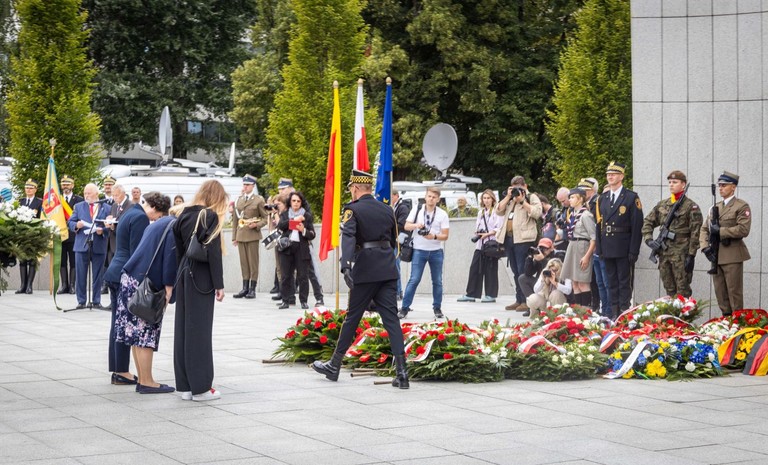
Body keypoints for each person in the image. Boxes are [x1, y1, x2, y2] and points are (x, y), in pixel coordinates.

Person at [312, 170, 409, 388]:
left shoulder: (352, 210)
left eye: (351, 189)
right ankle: (402, 373)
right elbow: (393, 240)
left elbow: (348, 237)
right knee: (391, 320)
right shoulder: (387, 209)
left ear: (355, 188)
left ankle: (334, 365)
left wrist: (346, 265)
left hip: (365, 270)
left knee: (352, 318)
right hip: (387, 270)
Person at [114, 192, 177, 394]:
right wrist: (169, 287)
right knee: (145, 333)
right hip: (144, 285)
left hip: (130, 279)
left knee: (134, 334)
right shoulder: (171, 226)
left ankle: (143, 380)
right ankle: (148, 382)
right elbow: (169, 258)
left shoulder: (155, 225)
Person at [173, 179, 227, 401]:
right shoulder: (209, 216)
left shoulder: (183, 214)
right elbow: (213, 252)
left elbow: (179, 250)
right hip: (201, 278)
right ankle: (202, 388)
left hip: (184, 273)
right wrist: (219, 284)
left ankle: (186, 386)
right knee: (200, 332)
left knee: (183, 330)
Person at [103, 184, 147, 386]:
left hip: (114, 271)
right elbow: (137, 252)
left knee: (116, 323)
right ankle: (122, 371)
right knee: (123, 324)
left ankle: (117, 370)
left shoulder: (128, 213)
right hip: (124, 274)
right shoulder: (139, 217)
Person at [642, 170, 702, 298]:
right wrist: (649, 240)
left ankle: (684, 312)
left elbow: (696, 233)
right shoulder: (663, 204)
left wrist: (691, 255)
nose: (671, 185)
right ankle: (671, 312)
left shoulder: (691, 206)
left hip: (681, 255)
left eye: (675, 182)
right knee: (669, 290)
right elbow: (648, 222)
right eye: (669, 182)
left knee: (683, 291)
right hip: (664, 254)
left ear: (683, 185)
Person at [699, 171, 751, 316]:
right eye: (719, 185)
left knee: (734, 294)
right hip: (716, 256)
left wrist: (720, 231)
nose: (720, 188)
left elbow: (743, 229)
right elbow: (704, 229)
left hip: (732, 255)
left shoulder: (741, 206)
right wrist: (705, 247)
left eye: (724, 185)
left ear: (733, 187)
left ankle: (738, 323)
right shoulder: (715, 207)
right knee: (720, 294)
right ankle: (726, 321)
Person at [595, 161, 643, 319]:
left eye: (614, 174)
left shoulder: (631, 197)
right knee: (611, 282)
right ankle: (614, 314)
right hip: (607, 247)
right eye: (608, 174)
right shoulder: (603, 198)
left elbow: (637, 226)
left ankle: (624, 313)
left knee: (624, 282)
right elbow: (599, 225)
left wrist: (634, 250)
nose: (610, 177)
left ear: (621, 176)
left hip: (623, 247)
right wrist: (599, 248)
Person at [398, 187, 450, 319]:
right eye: (429, 196)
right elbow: (406, 226)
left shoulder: (442, 214)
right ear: (425, 197)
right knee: (414, 279)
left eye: (434, 197)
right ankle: (404, 308)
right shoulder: (417, 209)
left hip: (436, 251)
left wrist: (434, 236)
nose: (431, 199)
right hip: (419, 250)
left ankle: (437, 308)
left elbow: (445, 236)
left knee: (437, 281)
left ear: (438, 199)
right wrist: (417, 225)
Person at [496, 176, 542, 312]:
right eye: (514, 187)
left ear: (525, 186)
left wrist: (522, 201)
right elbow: (498, 211)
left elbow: (537, 213)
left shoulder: (531, 197)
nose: (517, 190)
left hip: (524, 239)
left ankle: (527, 301)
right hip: (510, 239)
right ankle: (519, 299)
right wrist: (508, 196)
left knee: (523, 270)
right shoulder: (511, 200)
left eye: (519, 187)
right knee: (515, 271)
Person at [276, 177, 324, 305]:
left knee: (303, 276)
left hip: (301, 248)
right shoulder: (285, 214)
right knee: (286, 276)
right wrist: (294, 221)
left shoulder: (306, 216)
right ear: (290, 202)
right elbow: (281, 226)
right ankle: (286, 300)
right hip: (287, 248)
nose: (296, 203)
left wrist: (303, 230)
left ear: (301, 203)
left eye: (298, 201)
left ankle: (304, 301)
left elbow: (312, 234)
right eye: (293, 201)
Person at [67, 183, 110, 309]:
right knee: (81, 274)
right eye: (85, 193)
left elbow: (111, 225)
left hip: (98, 244)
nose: (86, 195)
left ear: (96, 193)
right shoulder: (79, 206)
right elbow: (70, 222)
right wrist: (76, 225)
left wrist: (103, 231)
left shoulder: (106, 207)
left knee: (98, 275)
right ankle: (81, 301)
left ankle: (96, 301)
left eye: (89, 193)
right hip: (82, 244)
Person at [457, 189, 503, 303]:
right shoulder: (481, 212)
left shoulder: (496, 212)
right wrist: (478, 233)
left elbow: (499, 228)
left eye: (488, 198)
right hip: (480, 245)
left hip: (491, 244)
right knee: (475, 268)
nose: (486, 200)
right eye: (484, 198)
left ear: (493, 199)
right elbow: (478, 226)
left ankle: (490, 294)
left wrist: (488, 234)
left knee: (491, 270)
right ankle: (471, 293)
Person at [231, 174, 268, 299]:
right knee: (244, 263)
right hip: (241, 235)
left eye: (248, 185)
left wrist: (256, 225)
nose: (245, 187)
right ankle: (245, 287)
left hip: (252, 235)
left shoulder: (258, 200)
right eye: (244, 185)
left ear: (253, 186)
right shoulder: (239, 200)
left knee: (253, 263)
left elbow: (265, 218)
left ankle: (252, 288)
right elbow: (235, 220)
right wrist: (234, 237)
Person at [560, 188, 596, 308]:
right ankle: (578, 310)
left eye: (573, 197)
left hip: (582, 247)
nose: (570, 200)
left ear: (580, 199)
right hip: (572, 246)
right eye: (569, 197)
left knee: (582, 283)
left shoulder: (586, 215)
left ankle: (586, 309)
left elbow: (593, 237)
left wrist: (587, 256)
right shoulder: (572, 214)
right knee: (574, 283)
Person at [517, 238, 562, 316]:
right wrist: (530, 258)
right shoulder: (538, 256)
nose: (543, 251)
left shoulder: (557, 255)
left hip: (554, 284)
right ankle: (533, 306)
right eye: (541, 248)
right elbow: (528, 273)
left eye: (545, 248)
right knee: (522, 278)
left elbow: (554, 271)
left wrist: (543, 260)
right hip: (541, 283)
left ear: (551, 248)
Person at [15, 179, 43, 294]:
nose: (28, 190)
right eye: (27, 187)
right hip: (22, 236)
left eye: (31, 188)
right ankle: (23, 285)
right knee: (22, 260)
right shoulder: (20, 201)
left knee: (32, 260)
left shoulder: (39, 202)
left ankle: (29, 285)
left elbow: (42, 218)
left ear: (35, 189)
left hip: (34, 236)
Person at [58, 175, 83, 294]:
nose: (65, 186)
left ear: (72, 185)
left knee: (73, 261)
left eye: (68, 184)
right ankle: (64, 285)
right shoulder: (56, 199)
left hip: (74, 235)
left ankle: (72, 285)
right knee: (62, 261)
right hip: (60, 235)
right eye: (63, 184)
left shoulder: (79, 200)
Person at [392, 190, 411, 300]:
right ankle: (397, 291)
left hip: (397, 241)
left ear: (396, 196)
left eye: (391, 196)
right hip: (394, 240)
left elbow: (401, 224)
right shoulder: (395, 207)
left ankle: (398, 292)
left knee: (395, 266)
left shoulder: (402, 207)